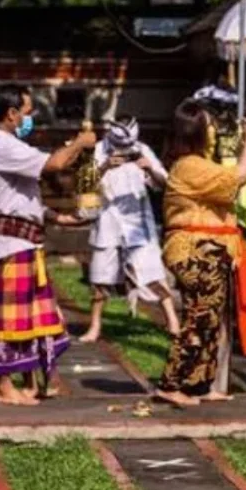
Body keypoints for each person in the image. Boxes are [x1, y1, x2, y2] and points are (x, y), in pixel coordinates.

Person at [0, 85, 93, 406]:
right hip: (10, 243)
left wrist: (58, 216)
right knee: (9, 315)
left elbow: (22, 199)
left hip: (26, 240)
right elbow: (55, 164)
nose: (31, 118)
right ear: (12, 114)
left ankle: (28, 381)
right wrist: (80, 143)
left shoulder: (12, 146)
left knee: (31, 315)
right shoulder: (2, 146)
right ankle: (3, 386)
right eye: (28, 112)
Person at [156, 101, 246, 407]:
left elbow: (230, 183)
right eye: (210, 124)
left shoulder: (198, 164)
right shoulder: (190, 165)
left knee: (210, 319)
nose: (214, 130)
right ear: (197, 130)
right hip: (194, 249)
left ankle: (198, 384)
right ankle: (171, 383)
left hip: (208, 250)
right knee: (201, 317)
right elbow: (237, 178)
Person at [80, 117, 178, 343]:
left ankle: (172, 320)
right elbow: (83, 187)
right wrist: (104, 166)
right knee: (100, 279)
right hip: (107, 221)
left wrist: (150, 168)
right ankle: (95, 326)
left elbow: (164, 182)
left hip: (138, 222)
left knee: (154, 273)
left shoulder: (142, 149)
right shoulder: (95, 152)